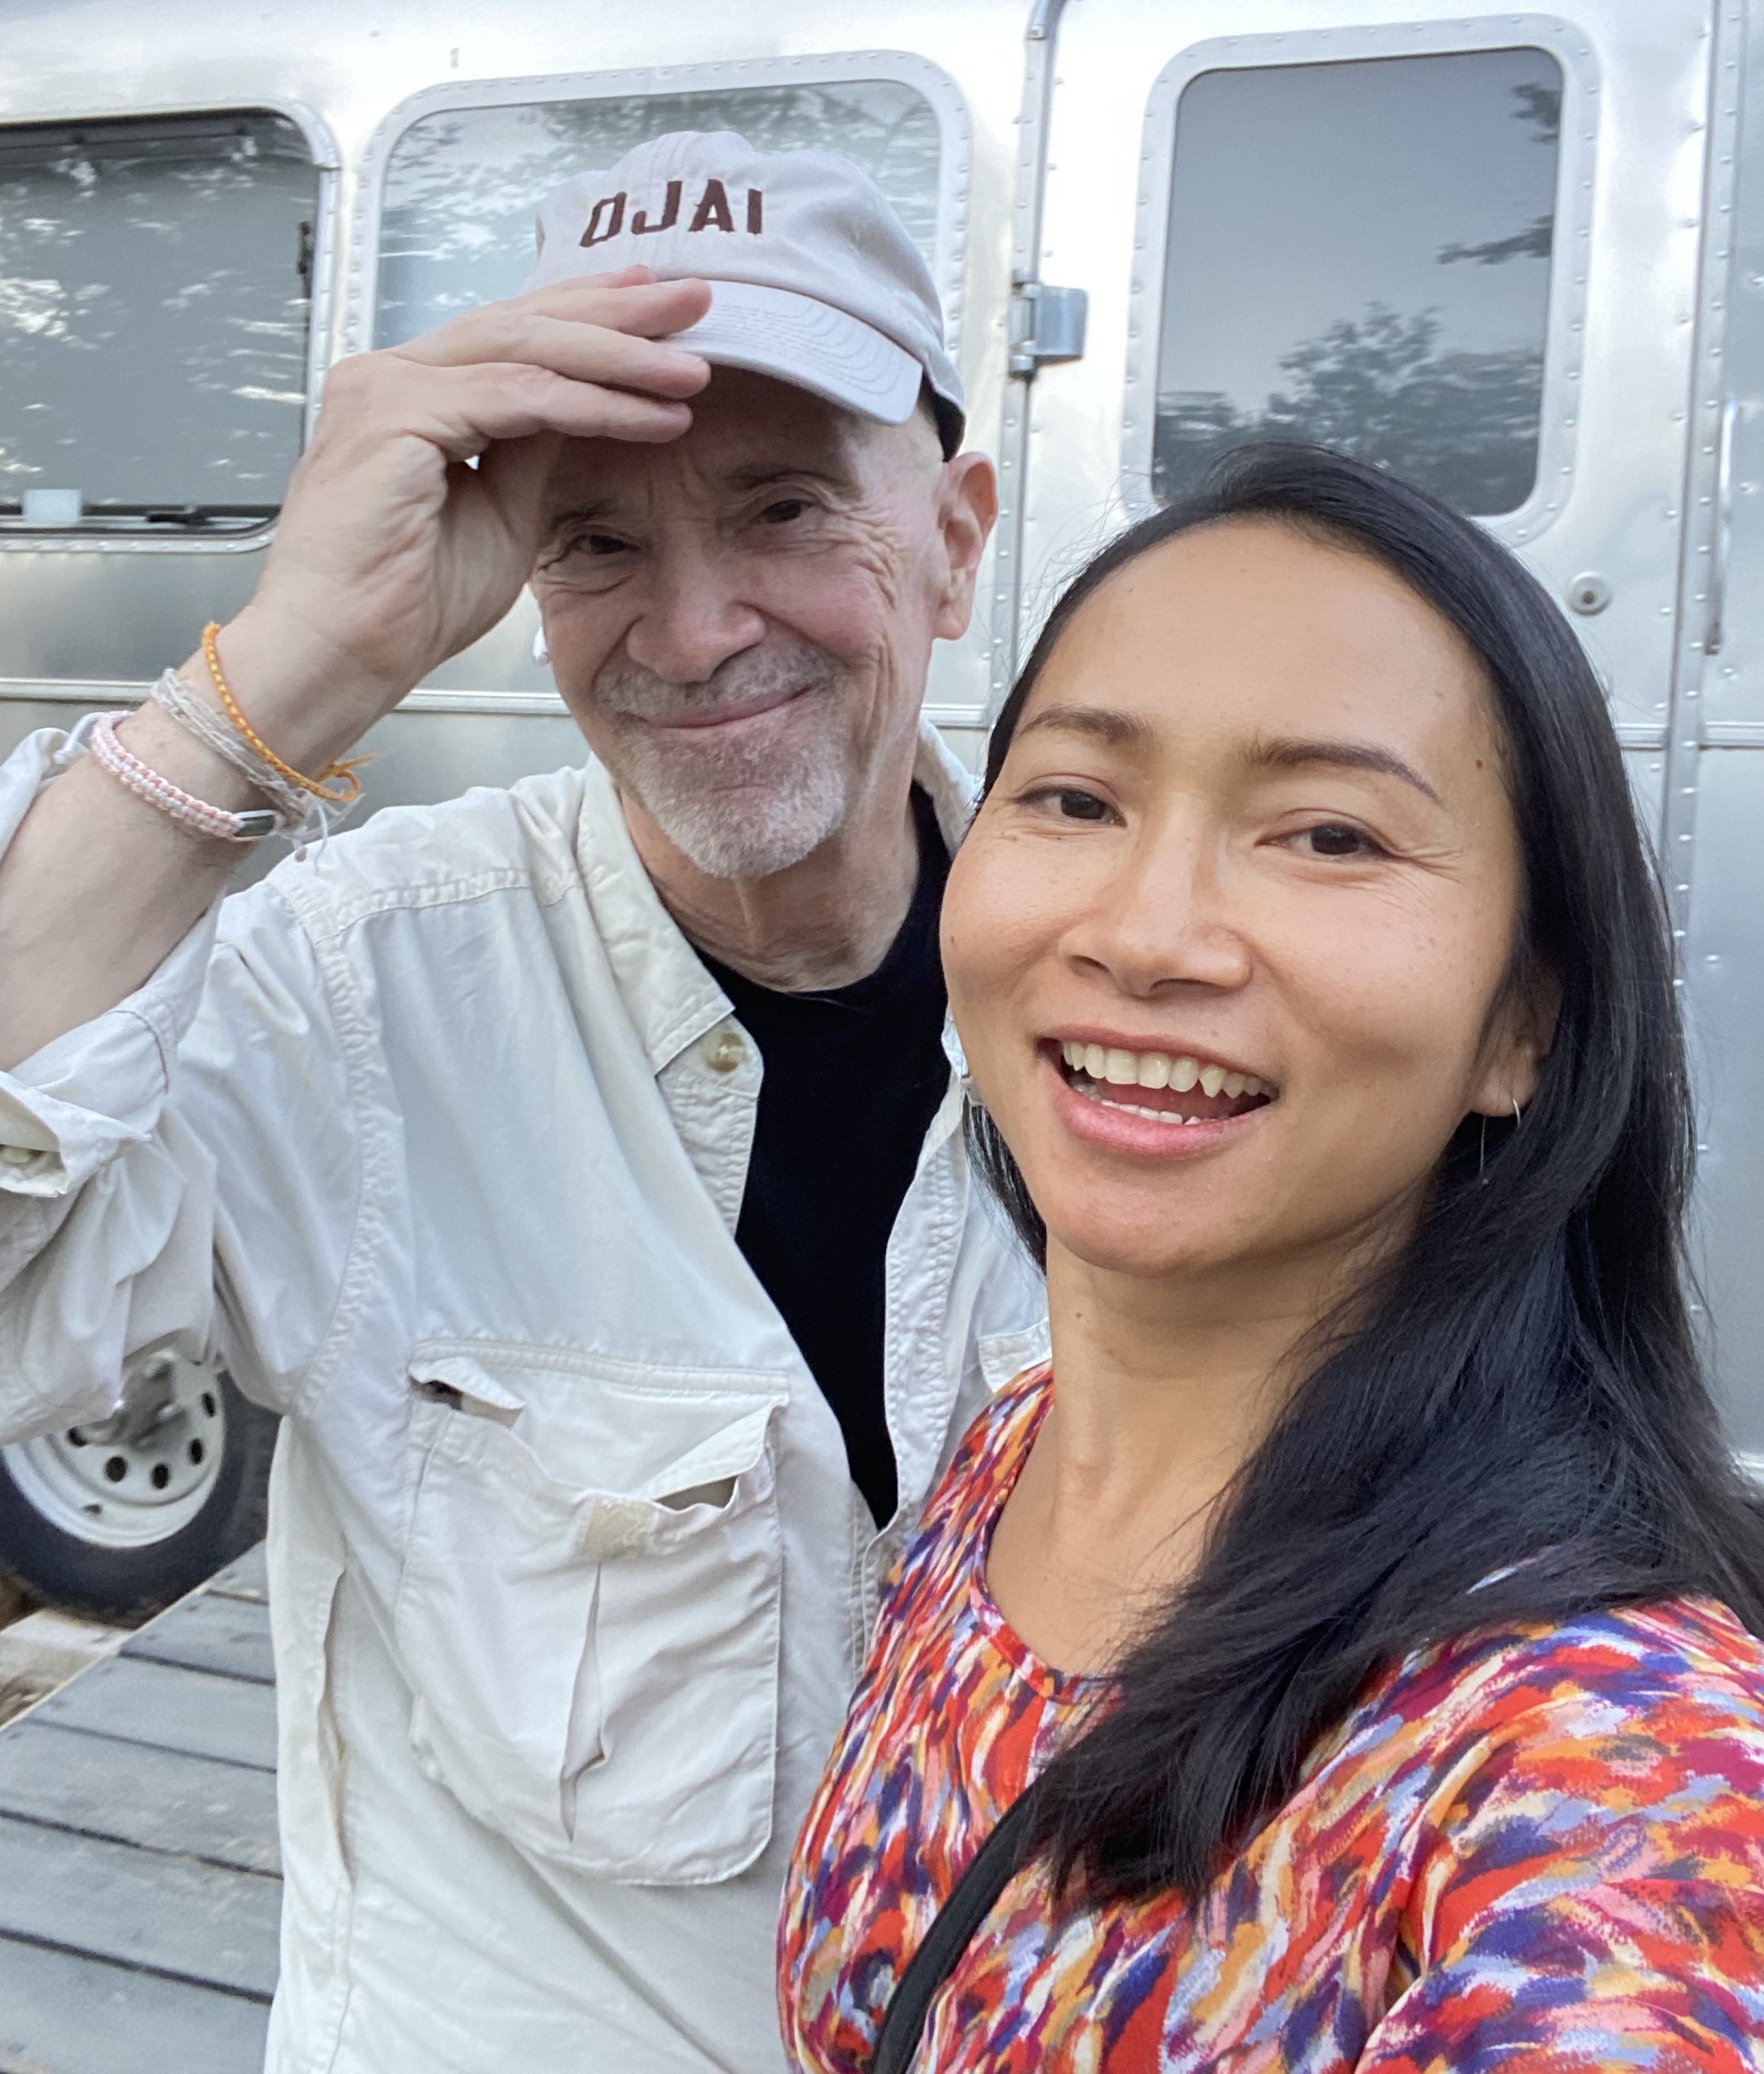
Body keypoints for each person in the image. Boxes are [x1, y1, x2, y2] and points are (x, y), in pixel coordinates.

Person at [0, 132, 1045, 2073]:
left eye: (789, 506)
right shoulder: (362, 982)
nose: (698, 625)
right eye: (597, 540)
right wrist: (290, 666)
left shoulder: (1131, 986)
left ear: (960, 536)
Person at [781, 446, 1764, 2074]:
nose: (1150, 931)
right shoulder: (1014, 1457)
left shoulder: (1606, 1761)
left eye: (1326, 835)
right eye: (1078, 797)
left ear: (1525, 1021)